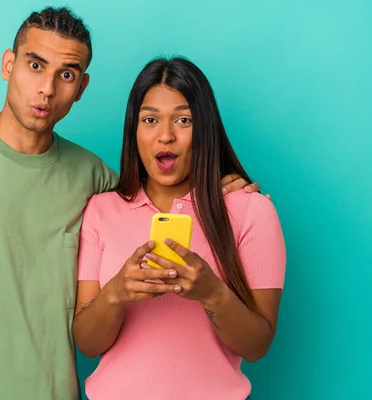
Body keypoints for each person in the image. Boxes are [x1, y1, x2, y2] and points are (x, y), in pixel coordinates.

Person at [0, 7, 260, 400]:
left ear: (81, 88)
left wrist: (219, 188)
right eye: (34, 65)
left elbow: (159, 196)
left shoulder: (94, 178)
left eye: (66, 74)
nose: (47, 88)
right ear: (8, 64)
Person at [72, 57, 286, 400]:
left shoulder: (252, 210)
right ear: (134, 130)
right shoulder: (101, 210)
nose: (166, 135)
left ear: (205, 129)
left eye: (183, 120)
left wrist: (211, 292)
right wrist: (115, 294)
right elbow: (87, 343)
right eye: (150, 120)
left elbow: (258, 345)